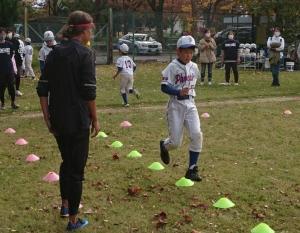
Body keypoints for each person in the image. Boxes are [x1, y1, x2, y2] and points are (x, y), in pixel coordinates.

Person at [37, 11, 100, 231]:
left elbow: (42, 88)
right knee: (76, 171)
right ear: (84, 30)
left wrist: (47, 117)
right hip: (78, 120)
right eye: (90, 28)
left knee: (66, 162)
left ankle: (65, 205)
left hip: (59, 120)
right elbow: (89, 92)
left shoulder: (54, 53)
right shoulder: (86, 54)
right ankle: (73, 220)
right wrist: (95, 118)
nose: (91, 32)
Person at [159, 35, 203, 181]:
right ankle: (164, 146)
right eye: (185, 51)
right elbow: (164, 87)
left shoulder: (194, 67)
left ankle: (192, 169)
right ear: (178, 51)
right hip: (176, 105)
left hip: (190, 104)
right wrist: (178, 91)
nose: (188, 55)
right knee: (175, 143)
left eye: (191, 51)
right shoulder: (172, 66)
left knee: (197, 134)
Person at [0, 27, 19, 109]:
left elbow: (11, 56)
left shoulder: (10, 44)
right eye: (0, 34)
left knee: (11, 86)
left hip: (9, 69)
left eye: (3, 34)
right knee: (1, 87)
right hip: (1, 71)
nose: (2, 36)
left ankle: (13, 103)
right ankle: (2, 103)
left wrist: (14, 69)